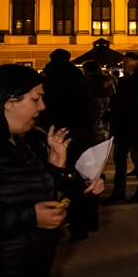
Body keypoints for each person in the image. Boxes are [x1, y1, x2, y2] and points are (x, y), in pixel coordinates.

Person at [0, 65, 103, 277]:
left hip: (28, 276)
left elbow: (31, 193)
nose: (42, 107)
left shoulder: (21, 141)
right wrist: (31, 216)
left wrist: (62, 171)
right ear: (10, 101)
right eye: (36, 99)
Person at [41, 48, 96, 241]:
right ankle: (77, 223)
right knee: (77, 178)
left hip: (51, 134)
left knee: (52, 179)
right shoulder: (76, 77)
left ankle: (52, 221)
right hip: (76, 134)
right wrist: (84, 128)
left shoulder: (47, 78)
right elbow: (86, 106)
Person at [104, 54, 138, 204]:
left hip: (135, 125)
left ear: (134, 62)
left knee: (137, 158)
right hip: (127, 125)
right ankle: (119, 191)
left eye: (125, 61)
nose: (123, 64)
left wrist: (115, 102)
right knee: (120, 158)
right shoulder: (132, 78)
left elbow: (133, 99)